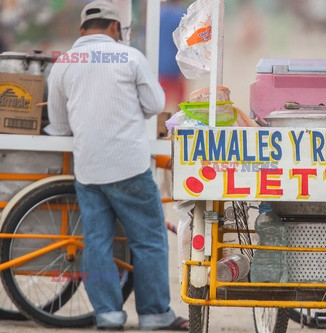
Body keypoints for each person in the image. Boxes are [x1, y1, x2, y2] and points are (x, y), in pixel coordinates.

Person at [45, 1, 188, 331]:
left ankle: (108, 315)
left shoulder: (65, 62)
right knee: (149, 240)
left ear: (82, 31)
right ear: (114, 28)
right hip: (129, 168)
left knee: (96, 242)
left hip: (89, 169)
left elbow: (58, 124)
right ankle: (154, 316)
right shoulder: (131, 57)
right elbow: (154, 105)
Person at [157, 0, 187, 137]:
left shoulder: (159, 14)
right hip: (177, 64)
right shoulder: (182, 14)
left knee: (161, 103)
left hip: (161, 63)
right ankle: (179, 133)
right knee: (180, 103)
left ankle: (160, 133)